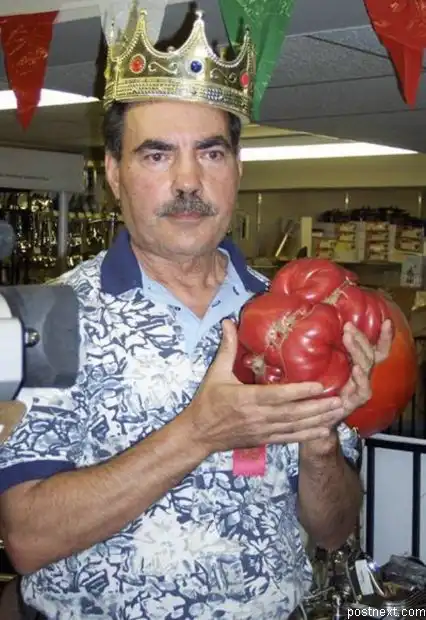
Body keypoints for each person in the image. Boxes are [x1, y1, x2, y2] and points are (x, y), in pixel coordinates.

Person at [0, 7, 392, 620]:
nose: (188, 181)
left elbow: (334, 531)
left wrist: (319, 443)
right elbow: (27, 538)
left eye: (210, 153)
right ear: (114, 173)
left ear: (237, 170)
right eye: (157, 155)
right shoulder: (37, 318)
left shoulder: (299, 313)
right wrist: (200, 433)